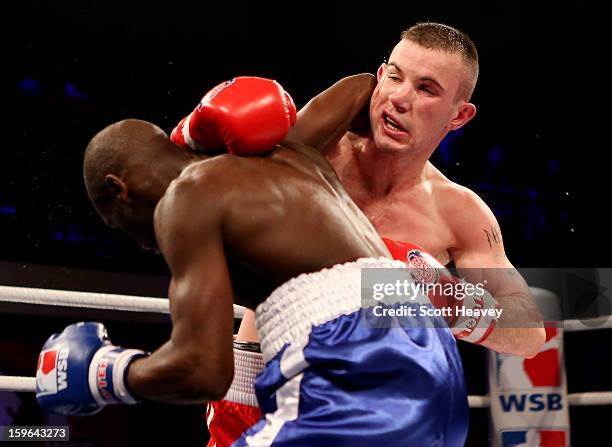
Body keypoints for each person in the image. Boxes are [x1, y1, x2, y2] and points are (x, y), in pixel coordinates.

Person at [35, 76, 473, 446]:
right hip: (437, 366)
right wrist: (193, 132)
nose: (139, 242)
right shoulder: (289, 152)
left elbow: (202, 369)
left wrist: (105, 372)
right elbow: (364, 85)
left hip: (352, 363)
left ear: (120, 190)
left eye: (117, 225)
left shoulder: (184, 201)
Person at [201, 22, 546, 446]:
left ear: (459, 115)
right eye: (395, 77)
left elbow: (528, 332)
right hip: (260, 377)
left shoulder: (458, 213)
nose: (400, 99)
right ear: (379, 77)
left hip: (370, 402)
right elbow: (220, 246)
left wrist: (448, 299)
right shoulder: (314, 158)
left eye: (426, 89)